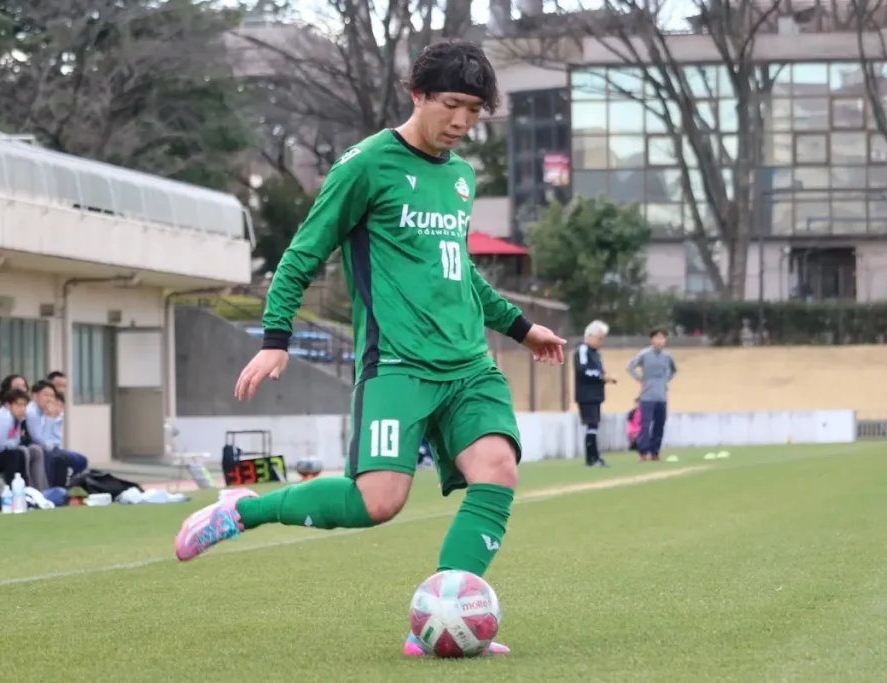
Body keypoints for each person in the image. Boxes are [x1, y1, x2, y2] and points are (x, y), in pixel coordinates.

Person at [173, 40, 567, 657]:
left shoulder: (461, 178)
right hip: (398, 368)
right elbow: (304, 251)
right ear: (417, 94)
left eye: (474, 111)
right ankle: (245, 509)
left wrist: (520, 327)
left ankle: (440, 623)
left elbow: (456, 271)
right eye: (452, 105)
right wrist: (276, 339)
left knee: (497, 471)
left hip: (469, 368)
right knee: (377, 502)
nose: (462, 123)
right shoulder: (366, 165)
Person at [626, 328, 678, 462]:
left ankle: (655, 452)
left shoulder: (667, 356)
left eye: (662, 338)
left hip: (662, 395)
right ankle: (643, 452)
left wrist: (665, 380)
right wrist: (641, 378)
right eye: (657, 338)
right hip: (647, 396)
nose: (660, 341)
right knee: (645, 425)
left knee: (659, 424)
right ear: (652, 339)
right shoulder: (644, 354)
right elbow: (630, 367)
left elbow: (674, 370)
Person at [573, 320, 616, 467]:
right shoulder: (583, 350)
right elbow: (582, 370)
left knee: (594, 425)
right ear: (589, 336)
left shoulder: (596, 353)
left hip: (595, 395)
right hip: (586, 394)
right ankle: (591, 459)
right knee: (592, 425)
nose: (601, 342)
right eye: (599, 338)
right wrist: (601, 377)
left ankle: (595, 457)